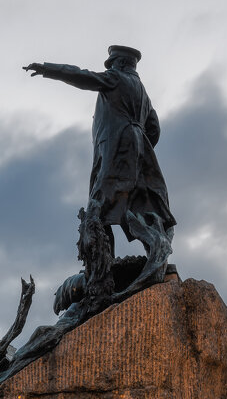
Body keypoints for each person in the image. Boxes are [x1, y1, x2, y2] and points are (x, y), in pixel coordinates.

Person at [24, 45, 176, 287]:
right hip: (137, 150)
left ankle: (103, 272)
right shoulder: (143, 93)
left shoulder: (116, 79)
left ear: (121, 63)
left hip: (116, 152)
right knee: (137, 205)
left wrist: (47, 69)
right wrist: (141, 145)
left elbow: (83, 76)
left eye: (113, 63)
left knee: (98, 211)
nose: (111, 67)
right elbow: (154, 128)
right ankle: (153, 257)